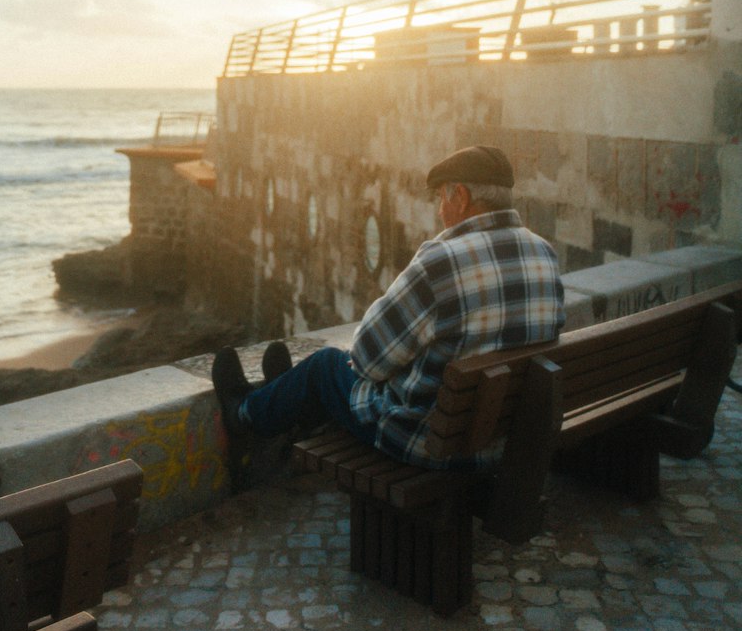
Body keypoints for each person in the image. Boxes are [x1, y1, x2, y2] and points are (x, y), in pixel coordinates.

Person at [212, 145, 565, 469]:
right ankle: (289, 404)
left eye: (441, 198)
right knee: (342, 374)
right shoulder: (545, 255)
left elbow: (367, 357)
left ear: (460, 196)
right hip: (502, 442)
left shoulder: (441, 263)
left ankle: (242, 414)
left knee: (325, 366)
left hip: (430, 444)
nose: (440, 210)